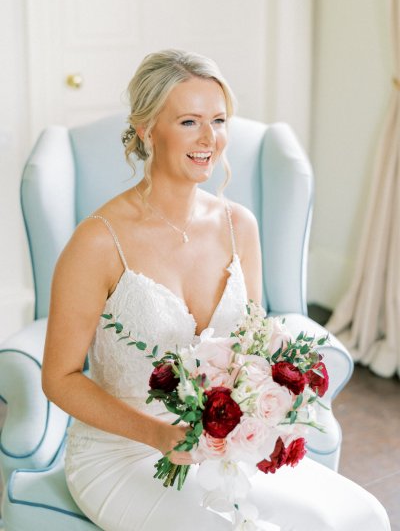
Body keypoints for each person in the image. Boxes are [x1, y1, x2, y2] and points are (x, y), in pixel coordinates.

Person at [42, 49, 390, 531]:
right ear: (146, 129)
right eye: (189, 121)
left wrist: (263, 409)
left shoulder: (238, 226)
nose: (210, 138)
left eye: (219, 120)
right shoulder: (98, 241)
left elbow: (251, 346)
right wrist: (159, 435)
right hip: (122, 455)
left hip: (221, 450)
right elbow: (58, 377)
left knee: (361, 515)